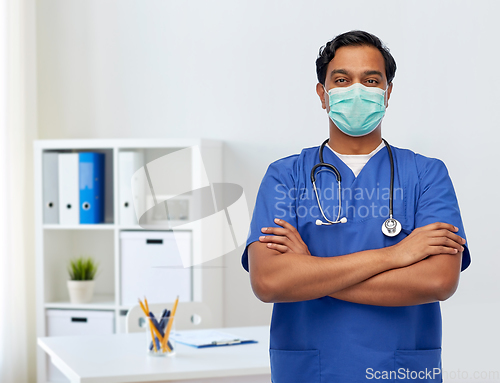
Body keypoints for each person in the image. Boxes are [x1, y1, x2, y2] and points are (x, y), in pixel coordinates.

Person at [241, 30, 471, 383]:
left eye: (371, 79)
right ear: (323, 94)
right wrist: (397, 255)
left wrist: (308, 271)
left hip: (402, 371)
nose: (357, 90)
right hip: (312, 371)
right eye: (342, 79)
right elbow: (270, 282)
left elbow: (438, 280)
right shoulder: (285, 177)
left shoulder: (426, 175)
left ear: (387, 92)